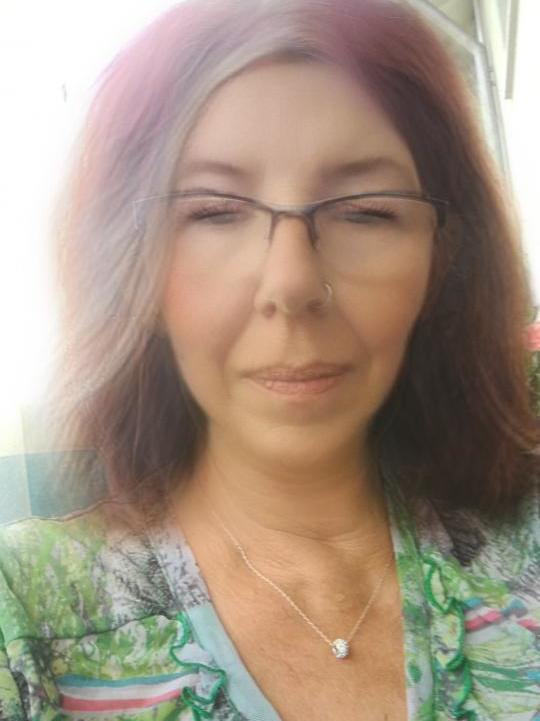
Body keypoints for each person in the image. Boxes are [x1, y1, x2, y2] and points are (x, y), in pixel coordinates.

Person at [0, 0, 538, 719]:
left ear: (443, 259)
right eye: (214, 211)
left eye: (365, 209)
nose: (291, 284)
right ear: (130, 268)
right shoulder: (25, 615)